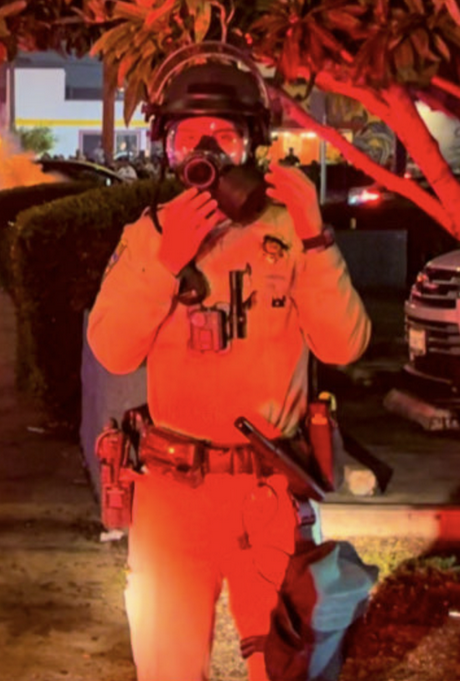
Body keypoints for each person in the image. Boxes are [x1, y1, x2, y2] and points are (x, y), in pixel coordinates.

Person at [87, 52, 371, 681]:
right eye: (190, 136)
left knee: (285, 665)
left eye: (225, 135)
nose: (207, 151)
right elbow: (112, 349)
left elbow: (344, 346)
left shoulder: (291, 232)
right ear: (166, 147)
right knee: (166, 668)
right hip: (170, 497)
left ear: (253, 145)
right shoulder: (149, 234)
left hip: (268, 493)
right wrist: (165, 263)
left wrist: (317, 238)